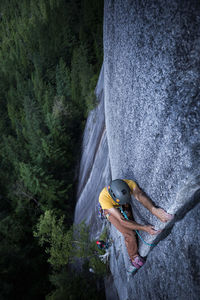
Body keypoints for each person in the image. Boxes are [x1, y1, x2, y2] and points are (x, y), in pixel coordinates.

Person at [99, 179, 174, 270]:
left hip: (121, 203)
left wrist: (154, 210)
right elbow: (122, 220)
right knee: (129, 233)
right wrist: (144, 228)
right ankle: (133, 257)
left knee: (129, 216)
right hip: (110, 210)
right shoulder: (103, 199)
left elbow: (139, 195)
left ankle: (124, 205)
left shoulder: (129, 183)